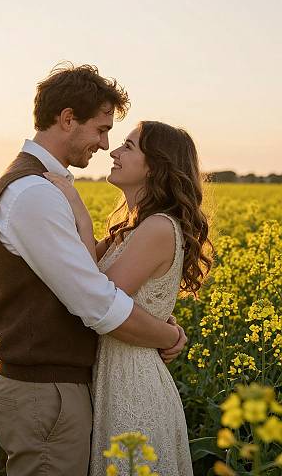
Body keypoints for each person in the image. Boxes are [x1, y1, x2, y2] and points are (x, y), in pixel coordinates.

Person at [0, 63, 188, 476]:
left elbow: (96, 288)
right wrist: (169, 334)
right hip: (46, 393)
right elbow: (98, 303)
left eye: (119, 139)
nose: (105, 144)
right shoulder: (34, 193)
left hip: (67, 388)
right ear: (67, 119)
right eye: (100, 129)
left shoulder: (42, 187)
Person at [45, 120, 213, 475]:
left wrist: (78, 208)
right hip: (115, 374)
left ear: (154, 165)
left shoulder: (157, 228)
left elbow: (99, 295)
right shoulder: (135, 226)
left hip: (134, 384)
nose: (114, 152)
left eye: (129, 146)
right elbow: (84, 267)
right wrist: (167, 330)